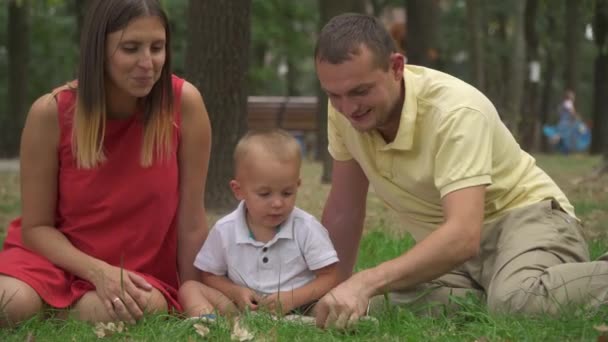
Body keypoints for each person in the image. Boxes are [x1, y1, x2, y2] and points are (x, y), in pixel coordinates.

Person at [312, 13, 608, 329]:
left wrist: (366, 281)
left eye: (360, 91)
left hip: (525, 220)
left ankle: (517, 290)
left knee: (516, 302)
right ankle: (502, 291)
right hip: (459, 259)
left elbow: (464, 235)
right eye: (334, 95)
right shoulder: (344, 113)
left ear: (397, 67)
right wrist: (328, 288)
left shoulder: (456, 111)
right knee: (375, 304)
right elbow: (345, 209)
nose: (347, 108)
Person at [0, 0, 211, 327]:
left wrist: (192, 293)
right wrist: (98, 272)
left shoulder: (185, 104)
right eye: (130, 48)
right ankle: (48, 307)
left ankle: (52, 314)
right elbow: (36, 228)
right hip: (53, 262)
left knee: (142, 308)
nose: (147, 62)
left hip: (136, 273)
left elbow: (192, 222)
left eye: (157, 47)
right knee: (8, 303)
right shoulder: (50, 112)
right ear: (98, 50)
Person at [179, 129, 340, 318]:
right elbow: (209, 275)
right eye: (264, 194)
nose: (278, 203)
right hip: (242, 308)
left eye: (287, 193)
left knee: (332, 303)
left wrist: (292, 298)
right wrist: (235, 292)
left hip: (298, 308)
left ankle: (308, 322)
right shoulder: (225, 229)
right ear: (238, 190)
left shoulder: (306, 227)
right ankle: (209, 326)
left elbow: (330, 276)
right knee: (189, 288)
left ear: (297, 186)